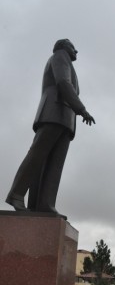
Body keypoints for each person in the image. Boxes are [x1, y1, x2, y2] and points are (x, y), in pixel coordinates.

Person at [6, 39, 95, 218]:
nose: (76, 51)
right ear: (63, 46)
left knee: (55, 165)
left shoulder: (67, 60)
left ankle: (45, 204)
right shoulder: (59, 56)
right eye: (73, 47)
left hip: (65, 118)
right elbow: (63, 83)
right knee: (37, 155)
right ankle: (16, 194)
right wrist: (82, 109)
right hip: (53, 112)